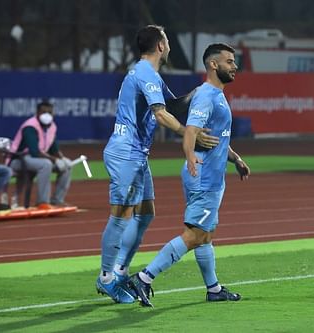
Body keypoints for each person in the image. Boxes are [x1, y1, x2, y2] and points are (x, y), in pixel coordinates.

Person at [96, 25, 219, 304]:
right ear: (161, 46)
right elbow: (161, 114)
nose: (170, 46)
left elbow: (173, 105)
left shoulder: (150, 75)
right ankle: (106, 278)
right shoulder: (144, 74)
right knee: (120, 215)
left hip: (137, 154)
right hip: (125, 153)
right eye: (168, 41)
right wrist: (189, 132)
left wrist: (204, 91)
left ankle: (120, 271)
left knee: (146, 213)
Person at [128, 43, 251, 307]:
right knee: (194, 235)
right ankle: (144, 278)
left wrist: (236, 159)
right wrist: (190, 159)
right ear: (213, 65)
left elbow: (216, 138)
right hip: (204, 177)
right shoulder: (207, 96)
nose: (235, 66)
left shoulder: (216, 95)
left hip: (212, 176)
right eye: (229, 61)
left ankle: (214, 288)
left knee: (205, 234)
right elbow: (191, 131)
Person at [8, 101, 72, 208]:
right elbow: (34, 152)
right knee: (46, 164)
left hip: (37, 159)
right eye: (43, 112)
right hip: (19, 160)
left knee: (67, 167)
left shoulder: (52, 126)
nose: (47, 115)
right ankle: (42, 202)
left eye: (49, 112)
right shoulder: (30, 126)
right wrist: (55, 160)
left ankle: (57, 200)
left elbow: (54, 149)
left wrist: (63, 159)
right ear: (37, 113)